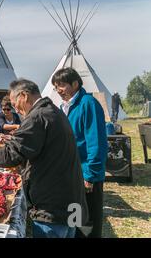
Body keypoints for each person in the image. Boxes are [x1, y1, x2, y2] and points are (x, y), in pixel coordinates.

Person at [0, 79, 88, 238]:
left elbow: (12, 154)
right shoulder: (53, 111)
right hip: (69, 199)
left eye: (14, 103)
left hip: (53, 206)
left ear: (24, 96)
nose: (15, 109)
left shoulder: (37, 117)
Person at [52, 67, 108, 238]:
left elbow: (96, 142)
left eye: (61, 85)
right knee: (74, 219)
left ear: (75, 83)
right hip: (71, 175)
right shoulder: (65, 107)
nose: (58, 90)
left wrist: (90, 175)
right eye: (56, 87)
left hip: (85, 175)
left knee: (87, 223)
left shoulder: (88, 104)